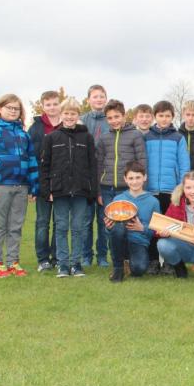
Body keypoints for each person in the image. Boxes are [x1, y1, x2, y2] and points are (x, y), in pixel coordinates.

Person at [0, 94, 38, 278]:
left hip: (21, 187)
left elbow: (32, 160)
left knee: (16, 227)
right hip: (0, 186)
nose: (13, 111)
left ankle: (13, 262)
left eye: (16, 108)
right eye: (9, 107)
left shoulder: (23, 134)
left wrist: (34, 186)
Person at [38, 97, 97, 277]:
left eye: (73, 113)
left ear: (78, 115)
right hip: (59, 190)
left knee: (78, 228)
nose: (70, 117)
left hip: (80, 190)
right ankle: (63, 265)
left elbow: (92, 165)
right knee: (61, 227)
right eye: (66, 113)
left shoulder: (86, 137)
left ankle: (76, 264)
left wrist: (92, 191)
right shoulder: (51, 137)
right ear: (61, 115)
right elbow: (45, 166)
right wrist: (46, 190)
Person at [96, 99, 148, 267]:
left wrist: (141, 188)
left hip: (127, 189)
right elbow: (99, 164)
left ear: (124, 115)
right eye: (110, 118)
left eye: (117, 116)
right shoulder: (104, 138)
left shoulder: (135, 135)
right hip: (107, 188)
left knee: (127, 225)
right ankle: (113, 260)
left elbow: (142, 161)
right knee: (108, 225)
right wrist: (98, 190)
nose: (114, 121)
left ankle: (127, 259)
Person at [144, 100, 190, 275]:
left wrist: (181, 187)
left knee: (170, 228)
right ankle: (153, 260)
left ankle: (170, 262)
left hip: (171, 190)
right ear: (155, 116)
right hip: (150, 190)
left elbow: (184, 164)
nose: (164, 119)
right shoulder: (146, 136)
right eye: (161, 115)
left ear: (172, 117)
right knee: (153, 227)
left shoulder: (178, 138)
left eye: (168, 116)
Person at [104, 161, 160, 282]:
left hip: (139, 242)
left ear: (145, 177)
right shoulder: (118, 199)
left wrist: (142, 228)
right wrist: (108, 227)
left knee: (139, 269)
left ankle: (129, 264)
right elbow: (110, 231)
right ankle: (118, 268)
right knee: (118, 229)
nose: (134, 181)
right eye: (131, 178)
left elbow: (157, 230)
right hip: (121, 240)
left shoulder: (153, 201)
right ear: (125, 179)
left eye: (138, 177)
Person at [28, 90, 61, 272]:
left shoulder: (66, 124)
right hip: (42, 182)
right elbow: (31, 158)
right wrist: (34, 186)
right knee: (42, 221)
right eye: (48, 104)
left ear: (60, 104)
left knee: (60, 222)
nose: (52, 107)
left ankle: (57, 257)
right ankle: (43, 258)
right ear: (43, 106)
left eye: (55, 104)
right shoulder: (36, 128)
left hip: (62, 183)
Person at [81, 84, 111, 268]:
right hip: (85, 178)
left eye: (102, 96)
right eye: (95, 96)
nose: (99, 99)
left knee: (104, 221)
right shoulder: (82, 120)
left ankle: (102, 256)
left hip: (105, 177)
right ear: (88, 100)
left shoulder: (111, 120)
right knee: (85, 221)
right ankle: (86, 256)